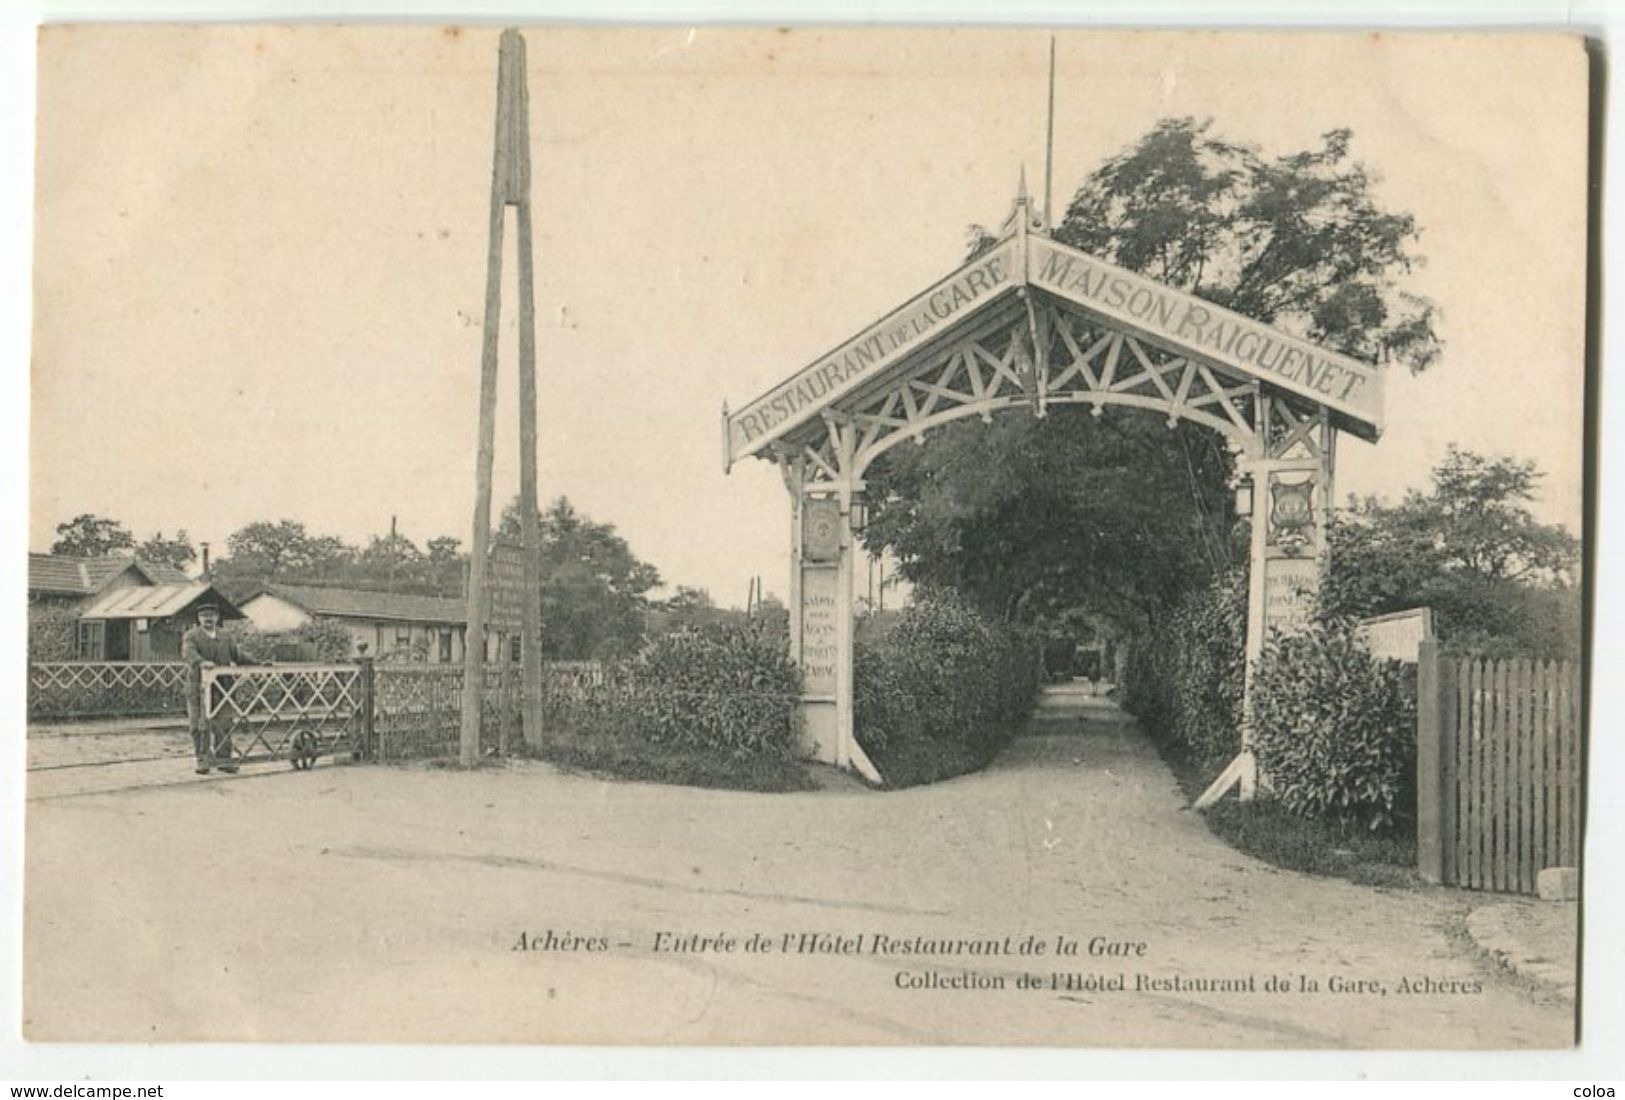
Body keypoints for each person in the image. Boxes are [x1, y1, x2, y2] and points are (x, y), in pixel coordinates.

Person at [182, 601, 257, 774]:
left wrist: (258, 663)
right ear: (199, 619)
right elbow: (188, 653)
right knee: (198, 724)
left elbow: (238, 655)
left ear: (217, 617)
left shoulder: (225, 636)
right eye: (204, 616)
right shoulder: (191, 636)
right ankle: (203, 760)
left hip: (223, 688)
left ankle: (224, 760)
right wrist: (201, 662)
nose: (208, 619)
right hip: (198, 687)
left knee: (224, 723)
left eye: (211, 616)